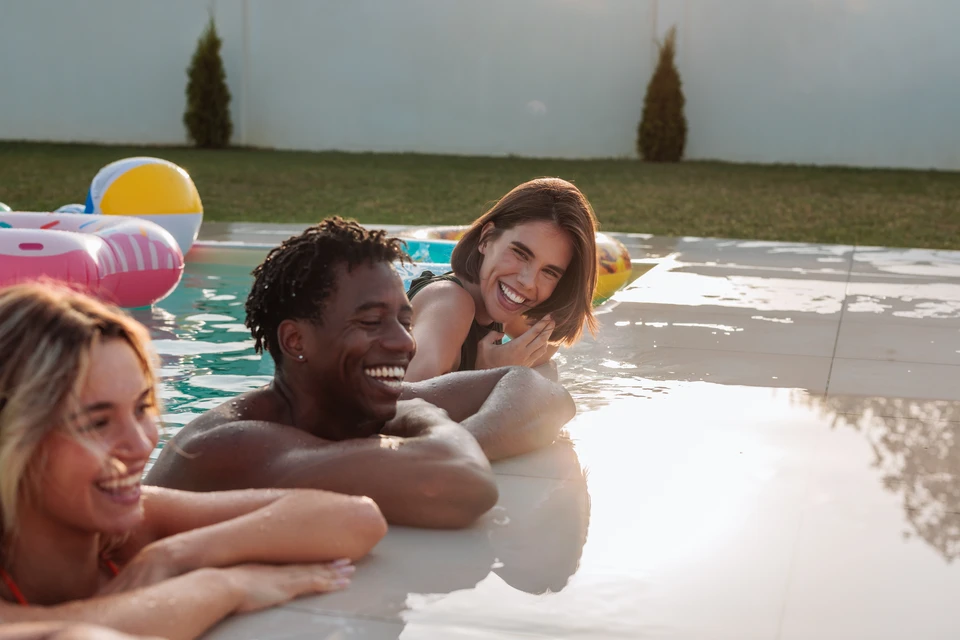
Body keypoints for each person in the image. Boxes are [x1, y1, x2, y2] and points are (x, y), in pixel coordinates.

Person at [0, 282, 387, 640]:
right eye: (97, 423)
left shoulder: (134, 531)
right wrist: (221, 586)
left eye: (141, 408)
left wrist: (175, 554)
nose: (139, 444)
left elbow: (356, 519)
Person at [145, 217, 578, 530]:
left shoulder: (338, 400)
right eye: (371, 322)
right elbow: (462, 485)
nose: (404, 343)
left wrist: (426, 430)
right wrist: (422, 420)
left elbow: (537, 389)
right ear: (297, 342)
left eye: (404, 322)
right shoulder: (230, 445)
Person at [404, 177, 600, 382]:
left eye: (549, 272)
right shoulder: (449, 304)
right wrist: (485, 372)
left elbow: (546, 345)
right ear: (487, 238)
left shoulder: (501, 306)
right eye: (520, 254)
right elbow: (401, 402)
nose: (528, 282)